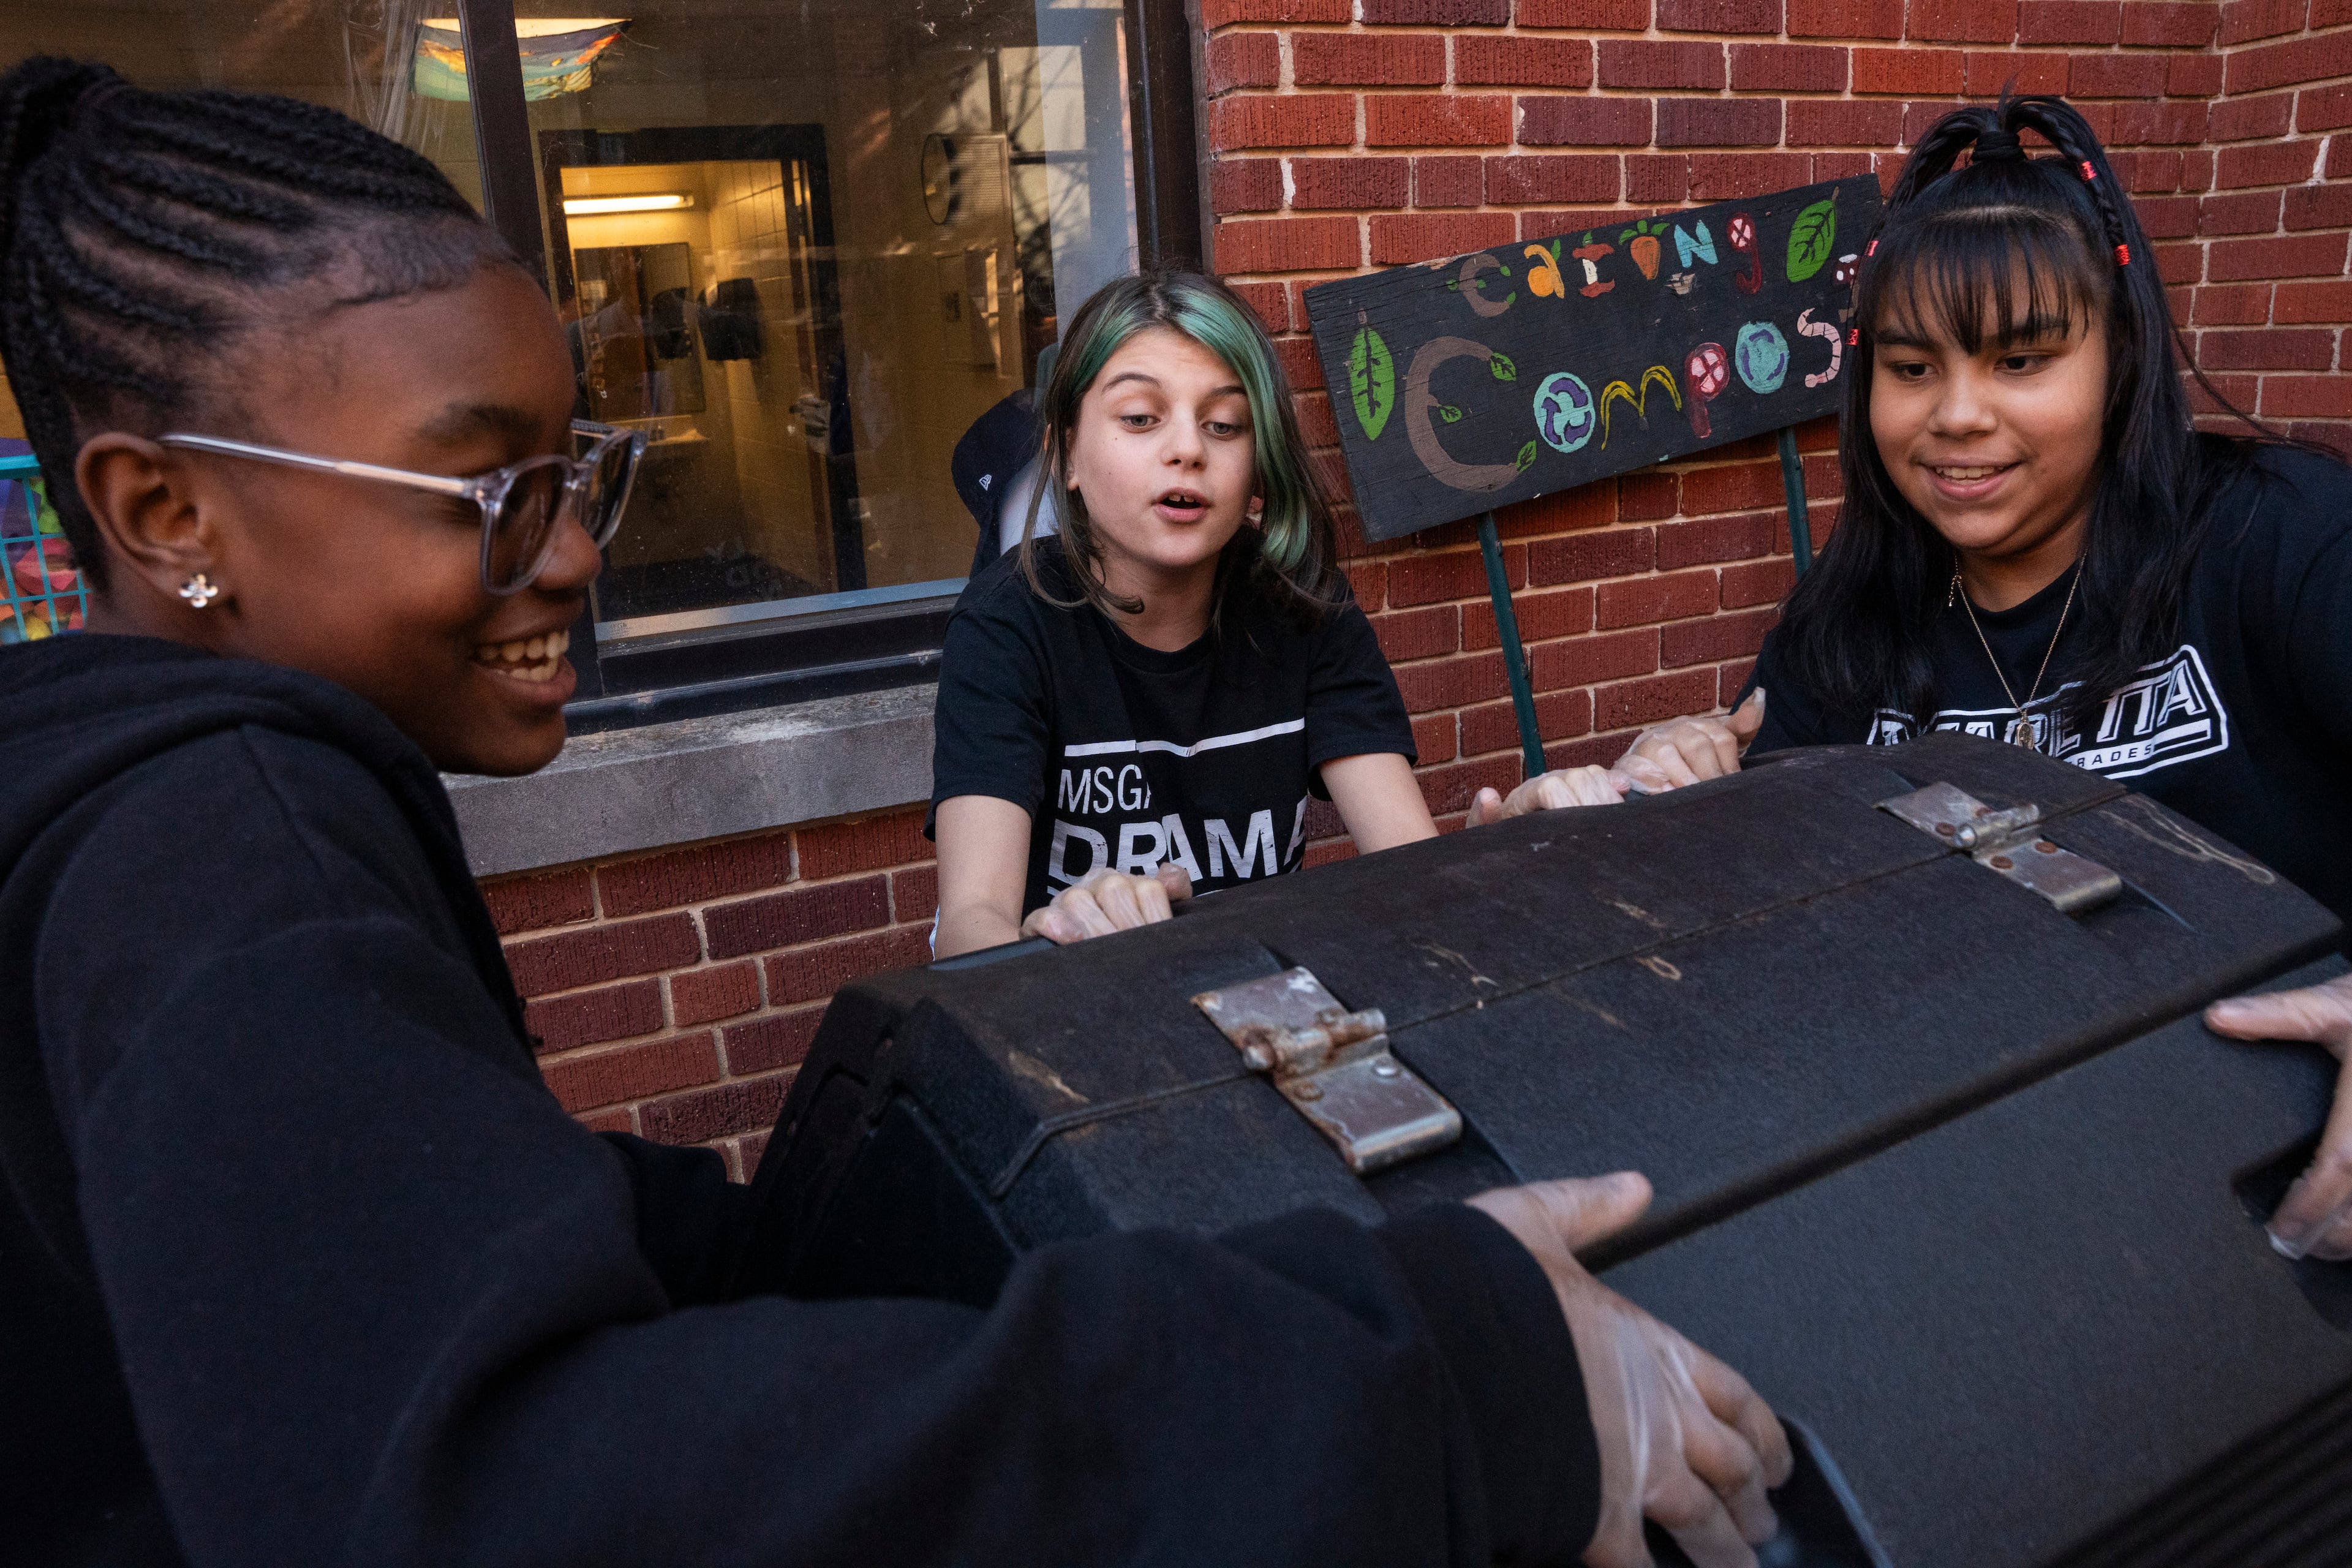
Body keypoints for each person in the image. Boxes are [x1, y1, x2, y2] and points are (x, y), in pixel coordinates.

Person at [0, 60, 1793, 1567]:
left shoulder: (209, 817)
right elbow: (514, 1477)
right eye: (487, 488)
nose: (566, 552)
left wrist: (1559, 828)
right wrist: (1437, 1372)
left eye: (577, 476)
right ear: (163, 513)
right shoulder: (226, 846)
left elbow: (399, 1258)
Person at [1607, 92, 2351, 1265]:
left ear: (2123, 353)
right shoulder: (1850, 620)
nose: (1957, 417)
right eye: (1912, 366)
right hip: (1993, 1218)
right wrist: (1654, 806)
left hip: (2279, 1208)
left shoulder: (2277, 543)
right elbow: (1756, 903)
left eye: (2022, 359)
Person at [929, 269, 1627, 958]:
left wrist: (1504, 843)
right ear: (1067, 453)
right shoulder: (1006, 626)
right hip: (1069, 1012)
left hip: (1266, 1001)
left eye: (1224, 424)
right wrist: (1049, 937)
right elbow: (969, 922)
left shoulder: (1303, 604)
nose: (1187, 449)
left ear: (1258, 464)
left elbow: (1407, 866)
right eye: (1140, 418)